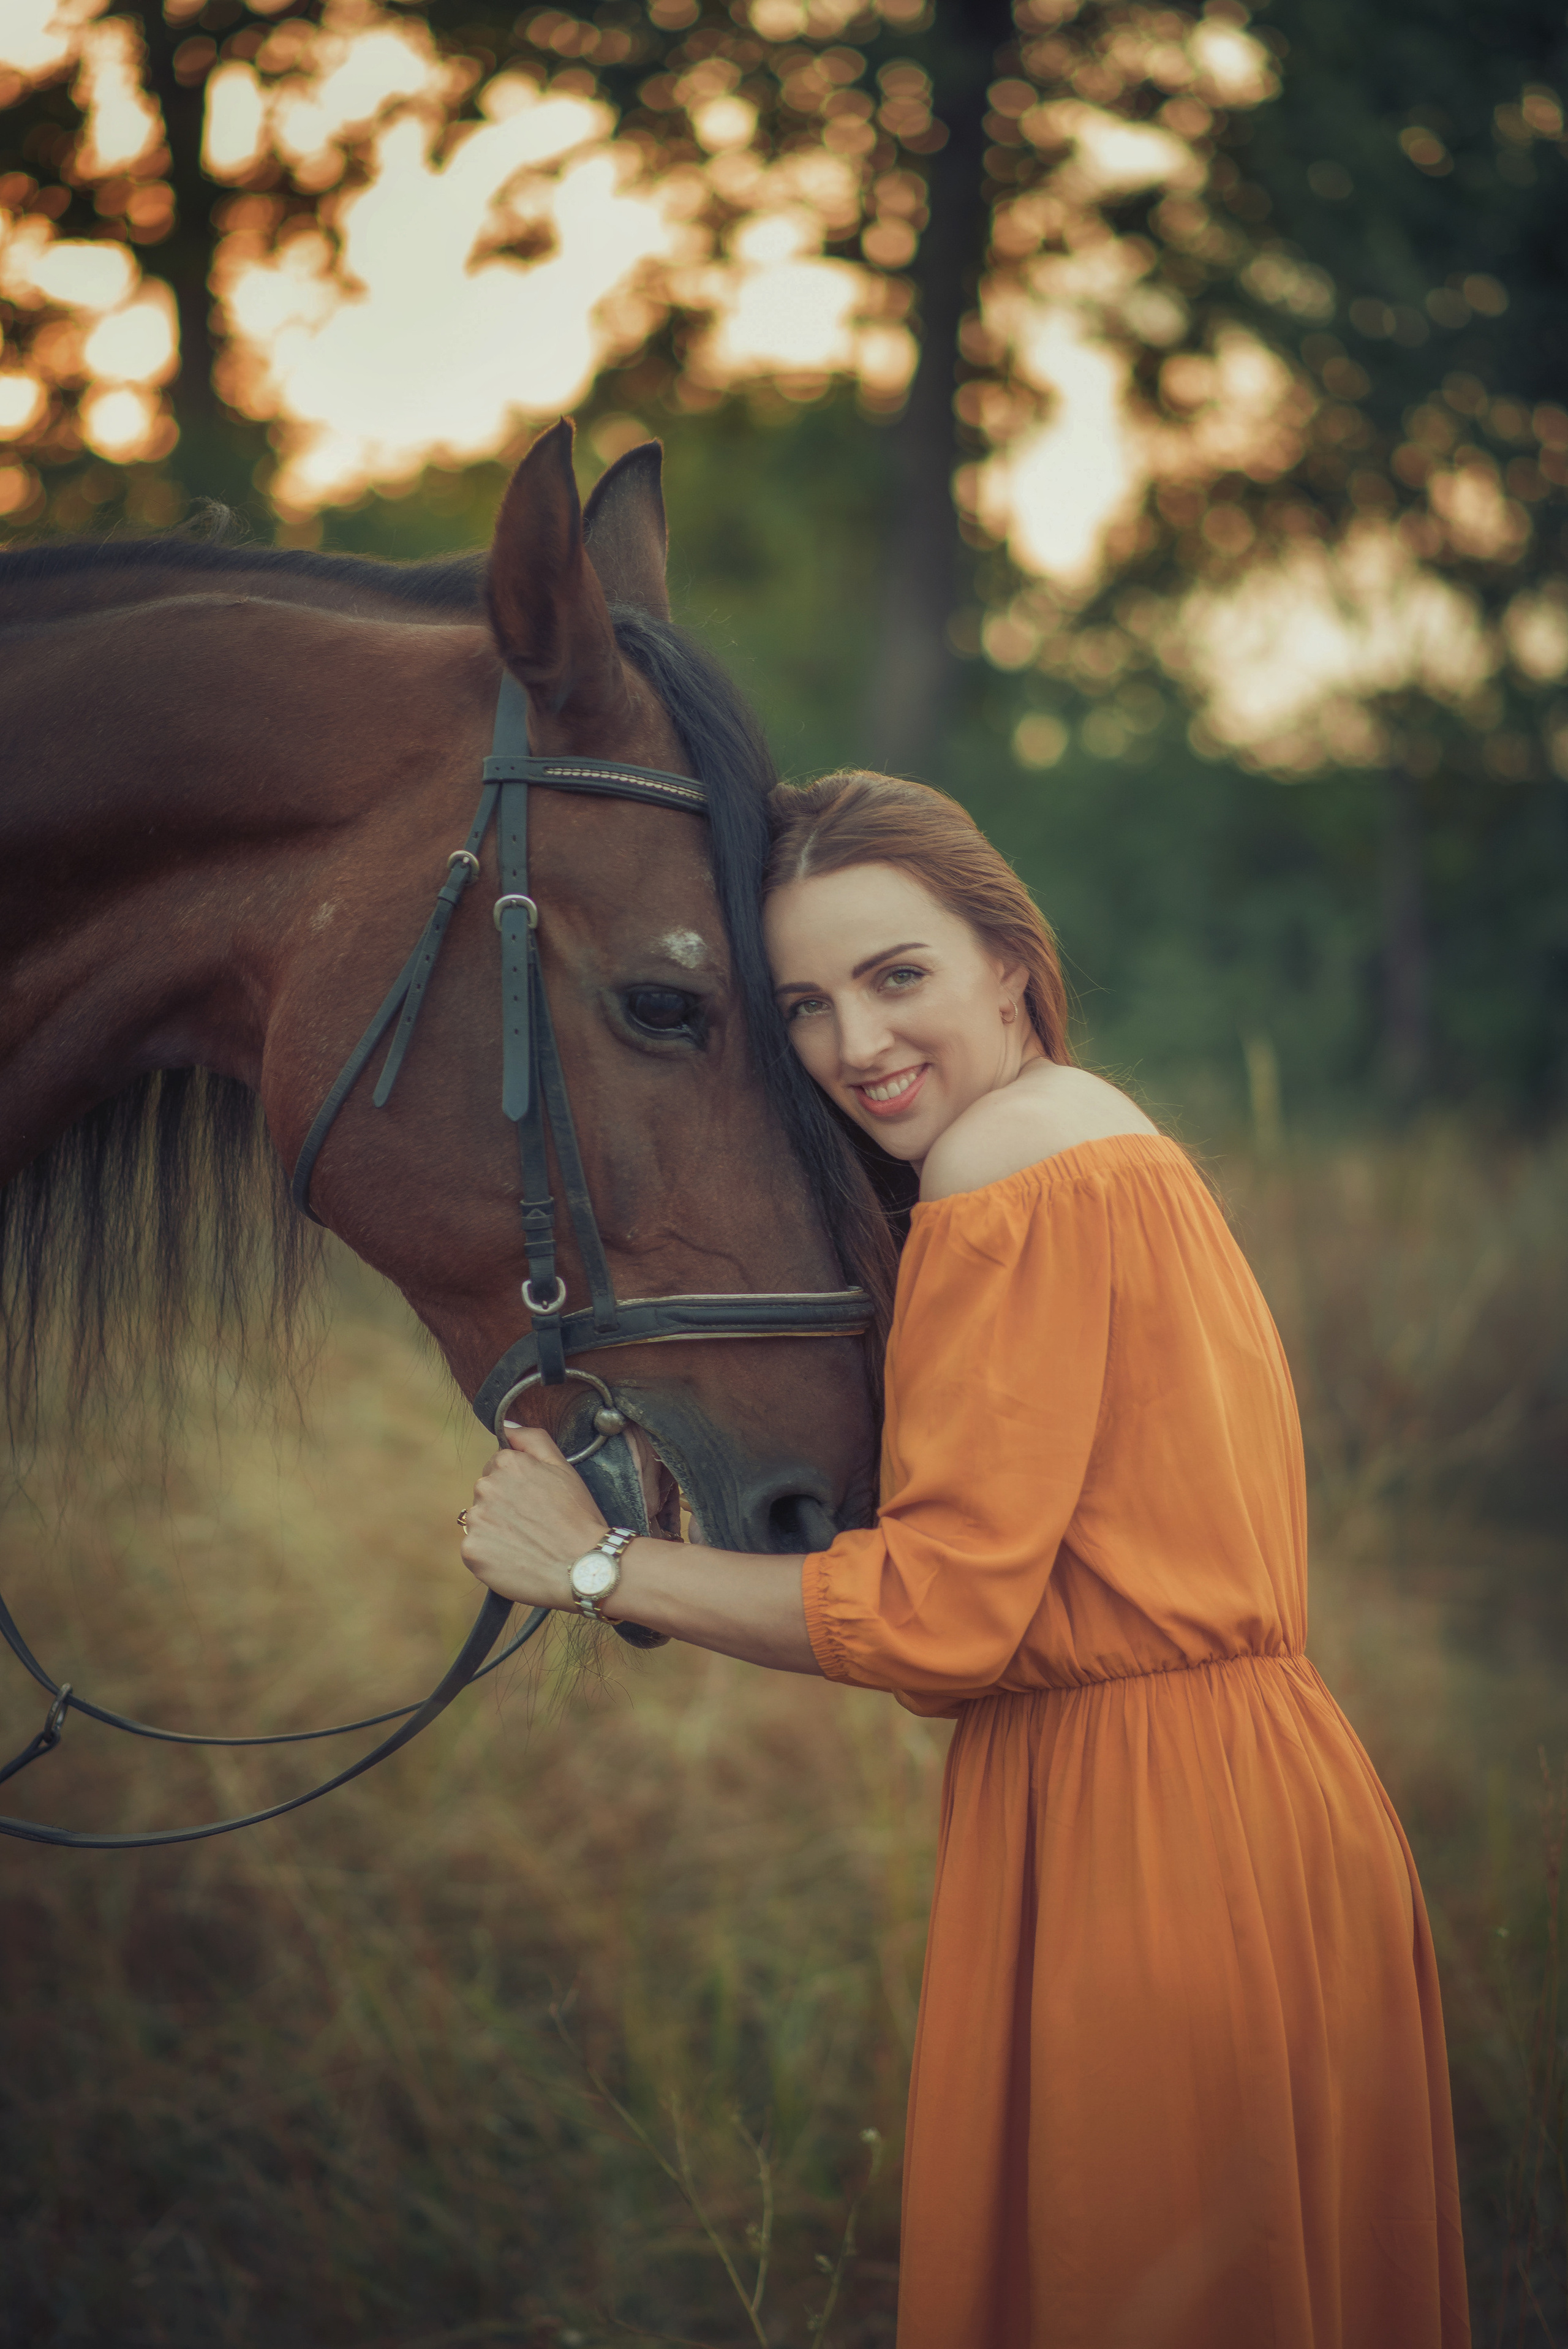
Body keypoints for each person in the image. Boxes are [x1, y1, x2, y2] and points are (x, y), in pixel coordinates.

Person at [460, 770, 1470, 2349]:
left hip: (1149, 1852)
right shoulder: (1105, 1139)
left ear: (1008, 960)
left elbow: (940, 1624)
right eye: (805, 1004)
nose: (856, 1046)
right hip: (1267, 1803)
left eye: (896, 976)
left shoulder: (1000, 1173)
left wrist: (599, 1569)